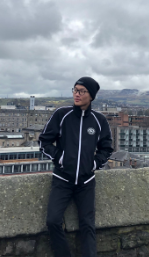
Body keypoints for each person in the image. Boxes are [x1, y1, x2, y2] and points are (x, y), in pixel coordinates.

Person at [38, 77, 113, 257]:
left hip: (86, 181)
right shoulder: (61, 115)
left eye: (82, 91)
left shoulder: (99, 120)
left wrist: (94, 163)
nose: (77, 94)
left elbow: (107, 148)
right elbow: (44, 142)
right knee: (53, 221)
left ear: (91, 96)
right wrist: (60, 158)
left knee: (87, 225)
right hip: (62, 179)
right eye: (75, 90)